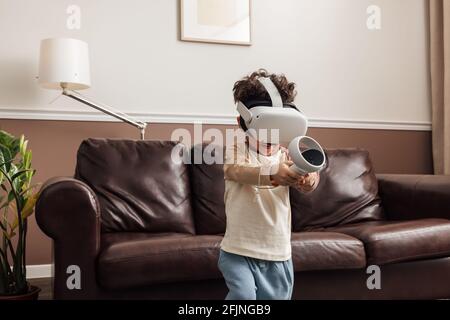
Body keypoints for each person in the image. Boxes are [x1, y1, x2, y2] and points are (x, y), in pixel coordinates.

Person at [218, 69, 320, 300]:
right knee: (243, 299)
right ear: (242, 123)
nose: (269, 139)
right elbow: (235, 170)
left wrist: (307, 179)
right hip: (238, 251)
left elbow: (311, 180)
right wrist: (272, 174)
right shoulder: (236, 151)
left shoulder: (287, 155)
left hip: (278, 254)